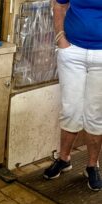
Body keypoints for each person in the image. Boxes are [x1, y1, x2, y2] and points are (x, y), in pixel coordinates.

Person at [43, 0, 102, 191]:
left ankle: (92, 166)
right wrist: (61, 38)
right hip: (72, 52)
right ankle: (64, 159)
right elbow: (59, 5)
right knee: (70, 110)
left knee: (95, 114)